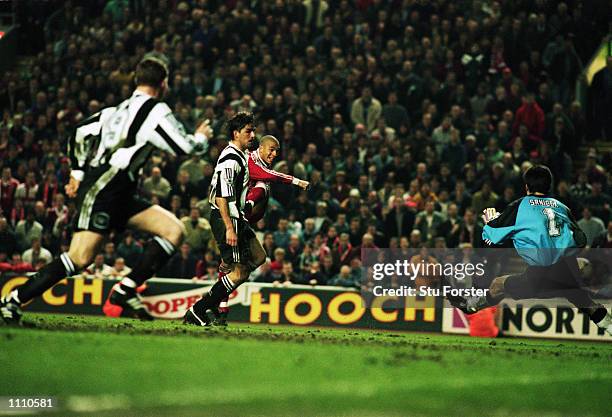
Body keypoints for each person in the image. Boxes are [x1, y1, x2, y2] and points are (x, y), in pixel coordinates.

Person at [1, 53, 213, 324]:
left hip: (119, 189)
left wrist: (77, 172)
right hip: (104, 188)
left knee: (174, 230)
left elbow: (79, 132)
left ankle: (124, 290)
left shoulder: (115, 111)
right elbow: (184, 147)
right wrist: (201, 138)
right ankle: (12, 301)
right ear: (164, 83)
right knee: (79, 258)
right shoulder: (154, 110)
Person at [455, 165, 611, 335]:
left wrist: (489, 221)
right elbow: (580, 240)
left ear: (527, 186)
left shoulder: (520, 206)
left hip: (540, 275)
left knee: (497, 284)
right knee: (586, 303)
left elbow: (491, 239)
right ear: (549, 185)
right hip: (566, 270)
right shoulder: (562, 207)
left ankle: (471, 306)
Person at [215, 134, 310, 325]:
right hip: (233, 217)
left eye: (277, 151)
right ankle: (218, 303)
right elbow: (270, 176)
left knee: (259, 258)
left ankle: (230, 279)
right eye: (271, 149)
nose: (274, 154)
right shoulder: (250, 159)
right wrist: (296, 181)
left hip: (246, 220)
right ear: (261, 147)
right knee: (263, 185)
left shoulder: (259, 163)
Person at [183, 112, 266, 326]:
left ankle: (214, 298)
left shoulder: (240, 154)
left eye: (253, 130)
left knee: (258, 257)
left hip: (237, 217)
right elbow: (221, 195)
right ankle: (200, 309)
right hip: (226, 218)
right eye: (248, 131)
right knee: (239, 273)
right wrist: (229, 227)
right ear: (236, 133)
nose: (253, 135)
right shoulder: (230, 159)